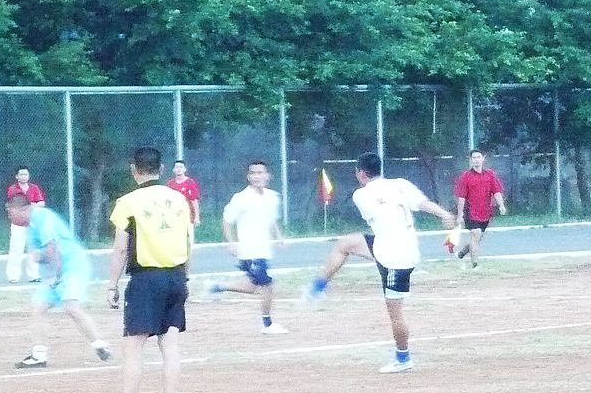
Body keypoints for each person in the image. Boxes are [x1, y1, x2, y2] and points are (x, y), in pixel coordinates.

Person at [304, 152, 455, 373]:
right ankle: (318, 286)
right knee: (345, 244)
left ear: (361, 173)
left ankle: (403, 358)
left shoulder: (361, 195)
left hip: (396, 258)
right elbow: (422, 203)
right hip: (390, 246)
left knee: (395, 312)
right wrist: (444, 214)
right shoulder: (400, 184)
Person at [96, 146, 190, 393]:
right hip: (176, 275)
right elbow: (188, 242)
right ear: (161, 169)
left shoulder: (127, 202)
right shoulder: (179, 199)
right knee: (169, 343)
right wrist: (186, 278)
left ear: (133, 170)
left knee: (133, 344)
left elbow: (120, 249)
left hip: (146, 279)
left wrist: (112, 285)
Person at [5, 196, 111, 369]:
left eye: (11, 211)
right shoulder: (29, 227)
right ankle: (39, 356)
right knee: (37, 308)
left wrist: (55, 274)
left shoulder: (42, 217)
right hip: (54, 271)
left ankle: (100, 345)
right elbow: (38, 254)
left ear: (23, 209)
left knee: (71, 307)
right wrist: (44, 266)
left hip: (71, 266)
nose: (9, 216)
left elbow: (52, 248)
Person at [205, 160, 289, 334]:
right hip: (250, 251)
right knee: (267, 285)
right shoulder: (241, 198)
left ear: (268, 175)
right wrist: (231, 242)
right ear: (248, 176)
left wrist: (278, 236)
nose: (257, 176)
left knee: (252, 286)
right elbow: (227, 221)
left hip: (263, 250)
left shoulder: (272, 196)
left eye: (260, 172)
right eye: (253, 173)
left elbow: (272, 219)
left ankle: (217, 286)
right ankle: (268, 324)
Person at [453, 148, 506, 269]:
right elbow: (461, 197)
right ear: (470, 160)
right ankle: (475, 265)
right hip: (471, 213)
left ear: (483, 159)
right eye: (474, 158)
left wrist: (501, 205)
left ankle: (462, 252)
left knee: (477, 239)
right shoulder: (466, 176)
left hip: (485, 213)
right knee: (475, 235)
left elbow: (496, 191)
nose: (476, 160)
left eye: (478, 157)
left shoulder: (490, 174)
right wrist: (460, 214)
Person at [5, 166, 45, 283]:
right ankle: (13, 276)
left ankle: (33, 275)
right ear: (17, 176)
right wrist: (29, 206)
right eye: (21, 174)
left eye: (25, 174)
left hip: (32, 224)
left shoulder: (34, 188)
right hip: (18, 224)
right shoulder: (13, 189)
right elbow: (15, 204)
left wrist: (32, 206)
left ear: (28, 176)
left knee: (33, 250)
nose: (23, 176)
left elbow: (41, 203)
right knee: (16, 251)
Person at [166, 159, 202, 244]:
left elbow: (194, 201)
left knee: (189, 241)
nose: (179, 169)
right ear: (173, 170)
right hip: (174, 217)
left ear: (185, 169)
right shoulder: (170, 184)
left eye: (181, 167)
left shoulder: (190, 182)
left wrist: (197, 217)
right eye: (177, 167)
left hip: (188, 217)